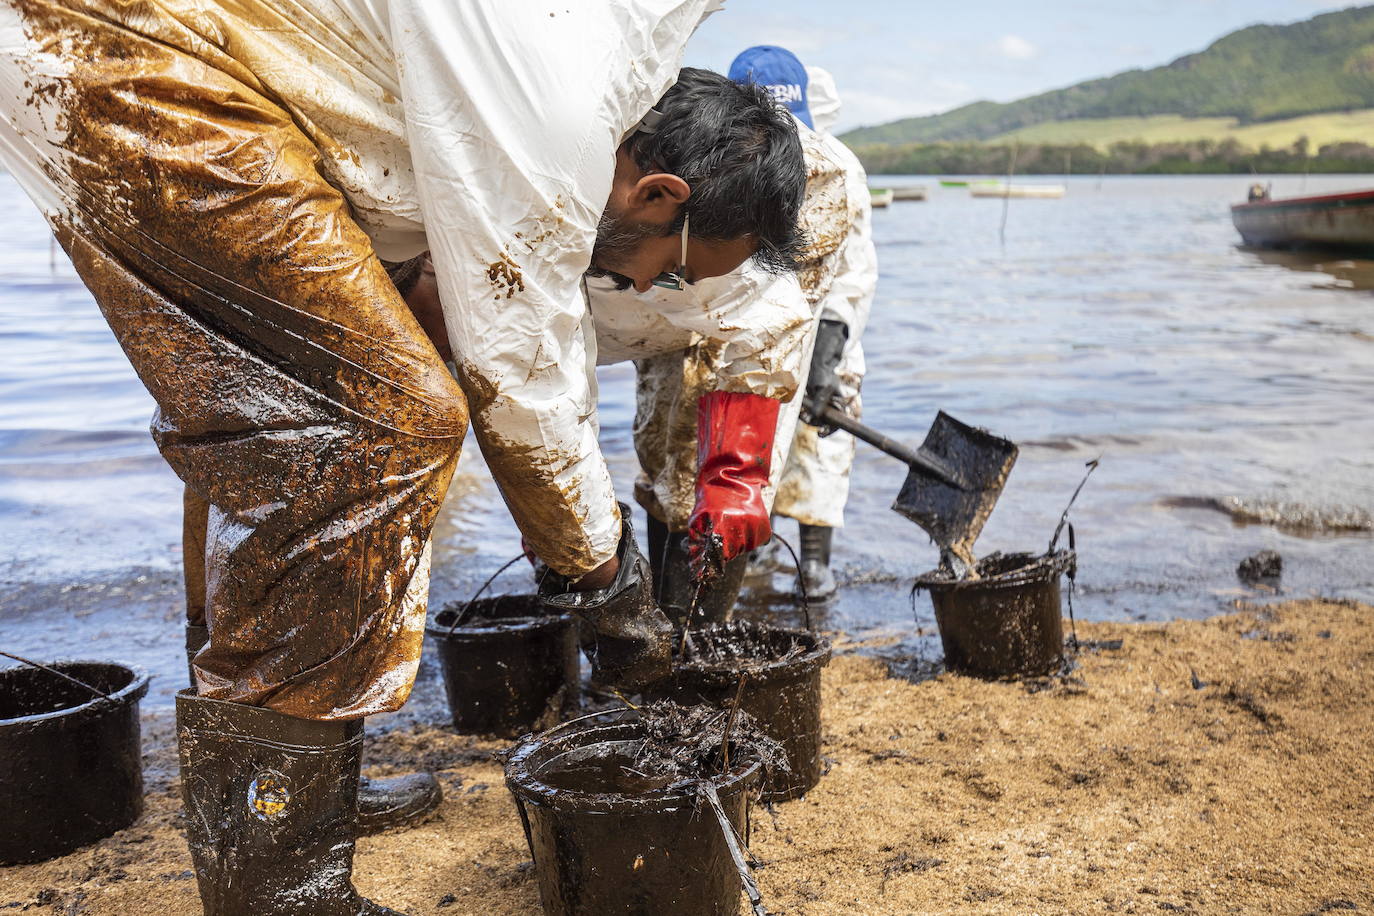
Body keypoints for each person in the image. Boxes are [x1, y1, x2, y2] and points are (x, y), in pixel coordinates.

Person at [0, 2, 806, 913]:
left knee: (282, 432)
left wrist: (591, 547)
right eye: (674, 269)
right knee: (381, 425)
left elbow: (528, 345)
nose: (649, 289)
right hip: (138, 52)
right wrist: (614, 596)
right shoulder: (561, 97)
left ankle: (303, 782)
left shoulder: (592, 77)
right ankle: (279, 882)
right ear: (659, 194)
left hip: (200, 75)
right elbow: (518, 371)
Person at [584, 45, 870, 623]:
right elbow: (535, 365)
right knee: (667, 454)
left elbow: (827, 296)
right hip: (653, 332)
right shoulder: (595, 160)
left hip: (774, 338)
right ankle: (660, 618)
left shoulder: (828, 183)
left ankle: (713, 626)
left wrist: (736, 473)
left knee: (777, 475)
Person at [768, 64, 878, 600]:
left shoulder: (839, 170)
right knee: (749, 452)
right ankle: (756, 546)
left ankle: (814, 564)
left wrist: (825, 355)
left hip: (822, 330)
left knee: (821, 442)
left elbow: (853, 273)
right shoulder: (718, 157)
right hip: (749, 338)